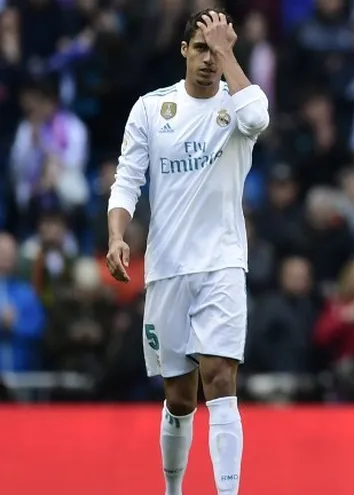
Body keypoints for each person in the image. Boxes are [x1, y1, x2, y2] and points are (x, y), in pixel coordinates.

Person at [104, 8, 269, 495]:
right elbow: (126, 181)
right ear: (183, 50)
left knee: (220, 379)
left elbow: (259, 116)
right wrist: (117, 235)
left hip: (222, 263)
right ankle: (174, 490)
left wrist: (227, 50)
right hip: (168, 269)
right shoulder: (151, 109)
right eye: (200, 48)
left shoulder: (238, 106)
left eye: (215, 51)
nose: (208, 60)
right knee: (179, 397)